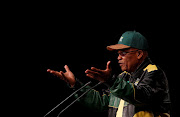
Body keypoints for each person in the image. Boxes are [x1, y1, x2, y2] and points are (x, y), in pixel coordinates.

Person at [47, 31, 171, 117]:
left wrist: (111, 81)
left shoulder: (154, 72)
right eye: (117, 54)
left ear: (139, 54)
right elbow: (101, 103)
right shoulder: (123, 77)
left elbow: (142, 96)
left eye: (123, 53)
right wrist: (75, 85)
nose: (118, 58)